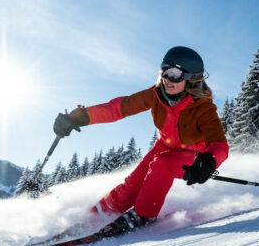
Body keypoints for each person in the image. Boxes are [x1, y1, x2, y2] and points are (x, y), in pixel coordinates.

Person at [52, 46, 229, 235]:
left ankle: (142, 215)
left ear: (191, 79)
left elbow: (220, 144)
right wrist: (80, 117)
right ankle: (97, 215)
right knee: (132, 185)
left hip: (192, 156)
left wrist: (208, 161)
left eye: (176, 74)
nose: (168, 79)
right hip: (163, 146)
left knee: (162, 164)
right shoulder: (156, 94)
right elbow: (119, 108)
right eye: (165, 71)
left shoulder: (203, 108)